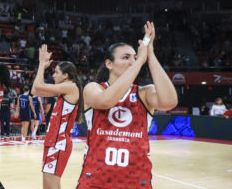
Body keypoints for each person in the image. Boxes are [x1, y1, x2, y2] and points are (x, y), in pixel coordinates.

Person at [78, 22, 178, 188]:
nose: (131, 62)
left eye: (134, 57)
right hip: (96, 180)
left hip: (136, 181)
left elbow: (170, 102)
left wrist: (150, 55)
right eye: (125, 58)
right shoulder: (93, 88)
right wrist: (139, 62)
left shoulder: (144, 92)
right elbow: (106, 101)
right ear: (109, 64)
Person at [32, 45, 83, 189]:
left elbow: (38, 85)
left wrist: (42, 64)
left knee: (50, 185)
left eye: (56, 72)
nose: (53, 75)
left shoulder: (70, 86)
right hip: (53, 141)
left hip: (58, 143)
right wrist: (41, 65)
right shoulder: (63, 90)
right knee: (50, 185)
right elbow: (35, 90)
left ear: (66, 75)